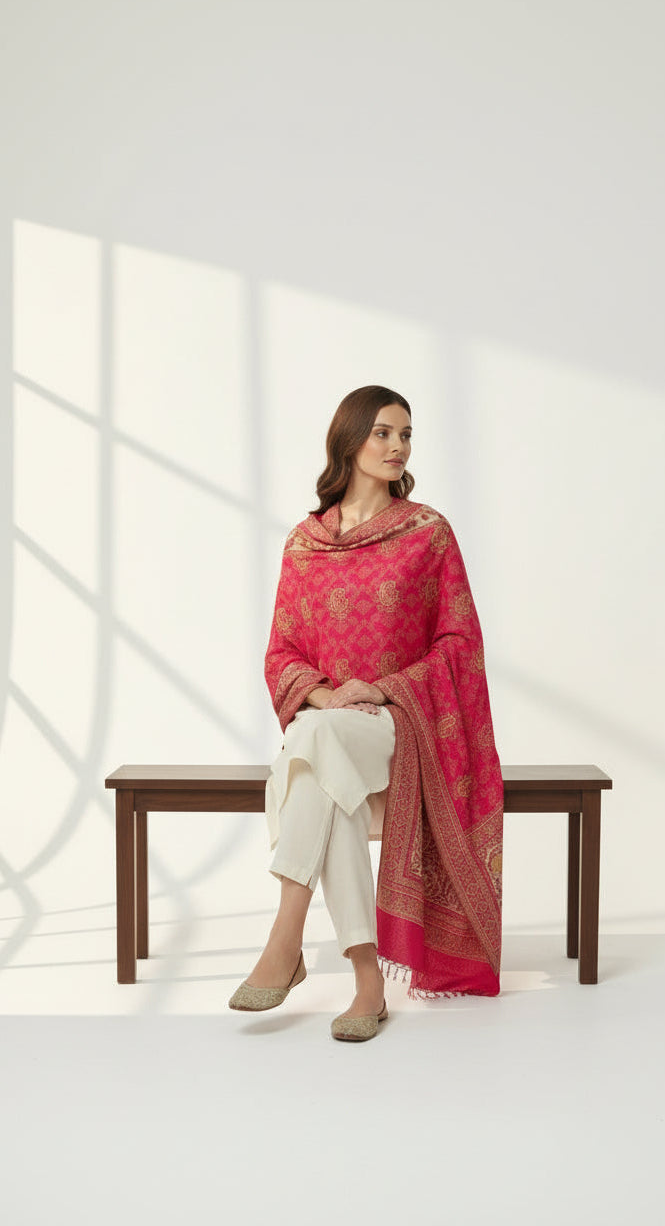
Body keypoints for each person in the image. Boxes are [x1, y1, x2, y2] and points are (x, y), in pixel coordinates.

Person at [228, 385, 504, 1041]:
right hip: (329, 728)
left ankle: (286, 936)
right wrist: (326, 695)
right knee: (328, 780)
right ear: (349, 439)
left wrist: (383, 691)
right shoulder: (305, 544)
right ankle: (366, 981)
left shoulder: (427, 534)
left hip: (399, 723)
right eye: (383, 432)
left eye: (405, 434)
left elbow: (459, 641)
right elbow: (282, 651)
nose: (397, 446)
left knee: (311, 749)